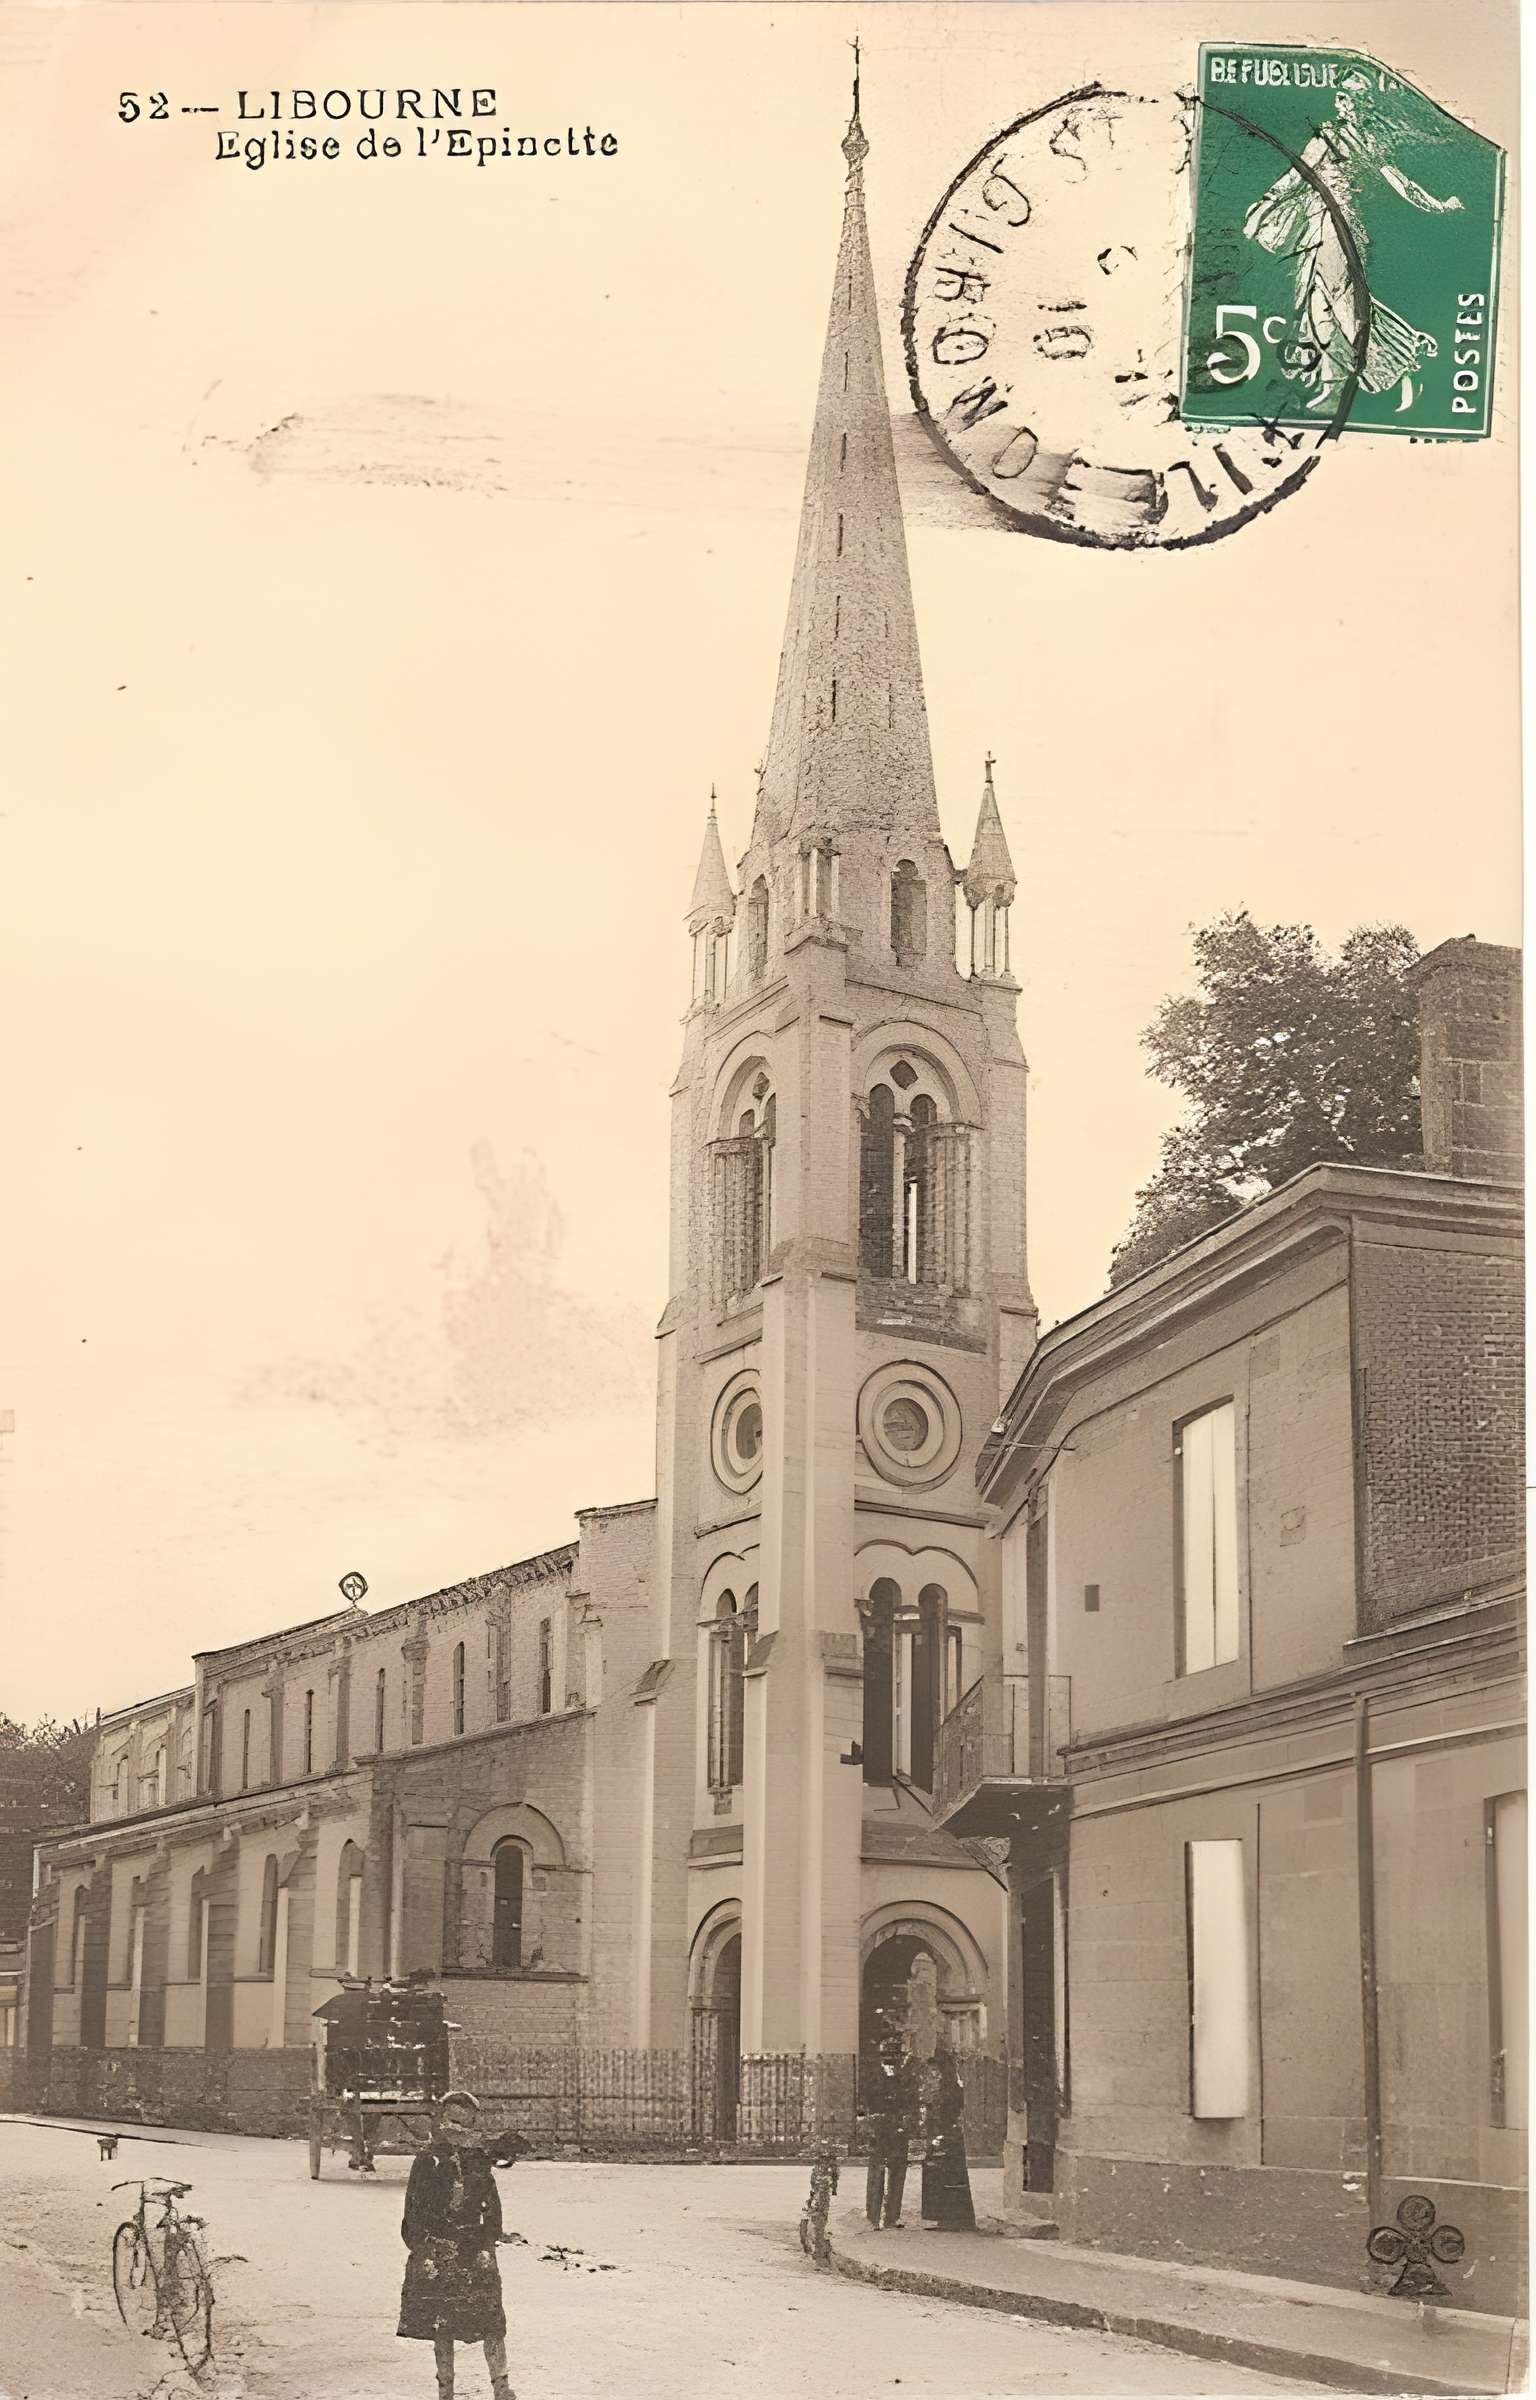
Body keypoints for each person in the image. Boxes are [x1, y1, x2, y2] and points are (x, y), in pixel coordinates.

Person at [398, 2109, 518, 2400]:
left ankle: (501, 2387)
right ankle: (445, 2390)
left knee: (491, 2323)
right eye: (450, 2124)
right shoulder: (426, 2162)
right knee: (442, 2325)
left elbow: (492, 2211)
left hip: (473, 2251)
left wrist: (487, 2246)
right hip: (439, 2250)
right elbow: (412, 2214)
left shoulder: (478, 2162)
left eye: (462, 2124)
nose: (456, 2131)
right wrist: (423, 2250)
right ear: (440, 2125)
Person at [919, 2048, 977, 2231]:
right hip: (939, 2135)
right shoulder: (940, 2088)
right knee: (937, 2175)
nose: (933, 2073)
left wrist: (946, 2132)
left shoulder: (952, 2089)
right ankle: (942, 2217)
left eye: (936, 2069)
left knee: (949, 2176)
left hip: (949, 2136)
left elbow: (955, 2112)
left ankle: (955, 2219)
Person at [861, 2037, 916, 2230]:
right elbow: (866, 2103)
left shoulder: (905, 2078)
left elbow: (911, 2102)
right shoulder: (874, 2078)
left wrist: (907, 2120)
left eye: (895, 2055)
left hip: (899, 2130)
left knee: (898, 2173)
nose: (892, 2059)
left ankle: (892, 2216)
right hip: (880, 2129)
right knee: (877, 2173)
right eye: (888, 2055)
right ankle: (873, 2217)